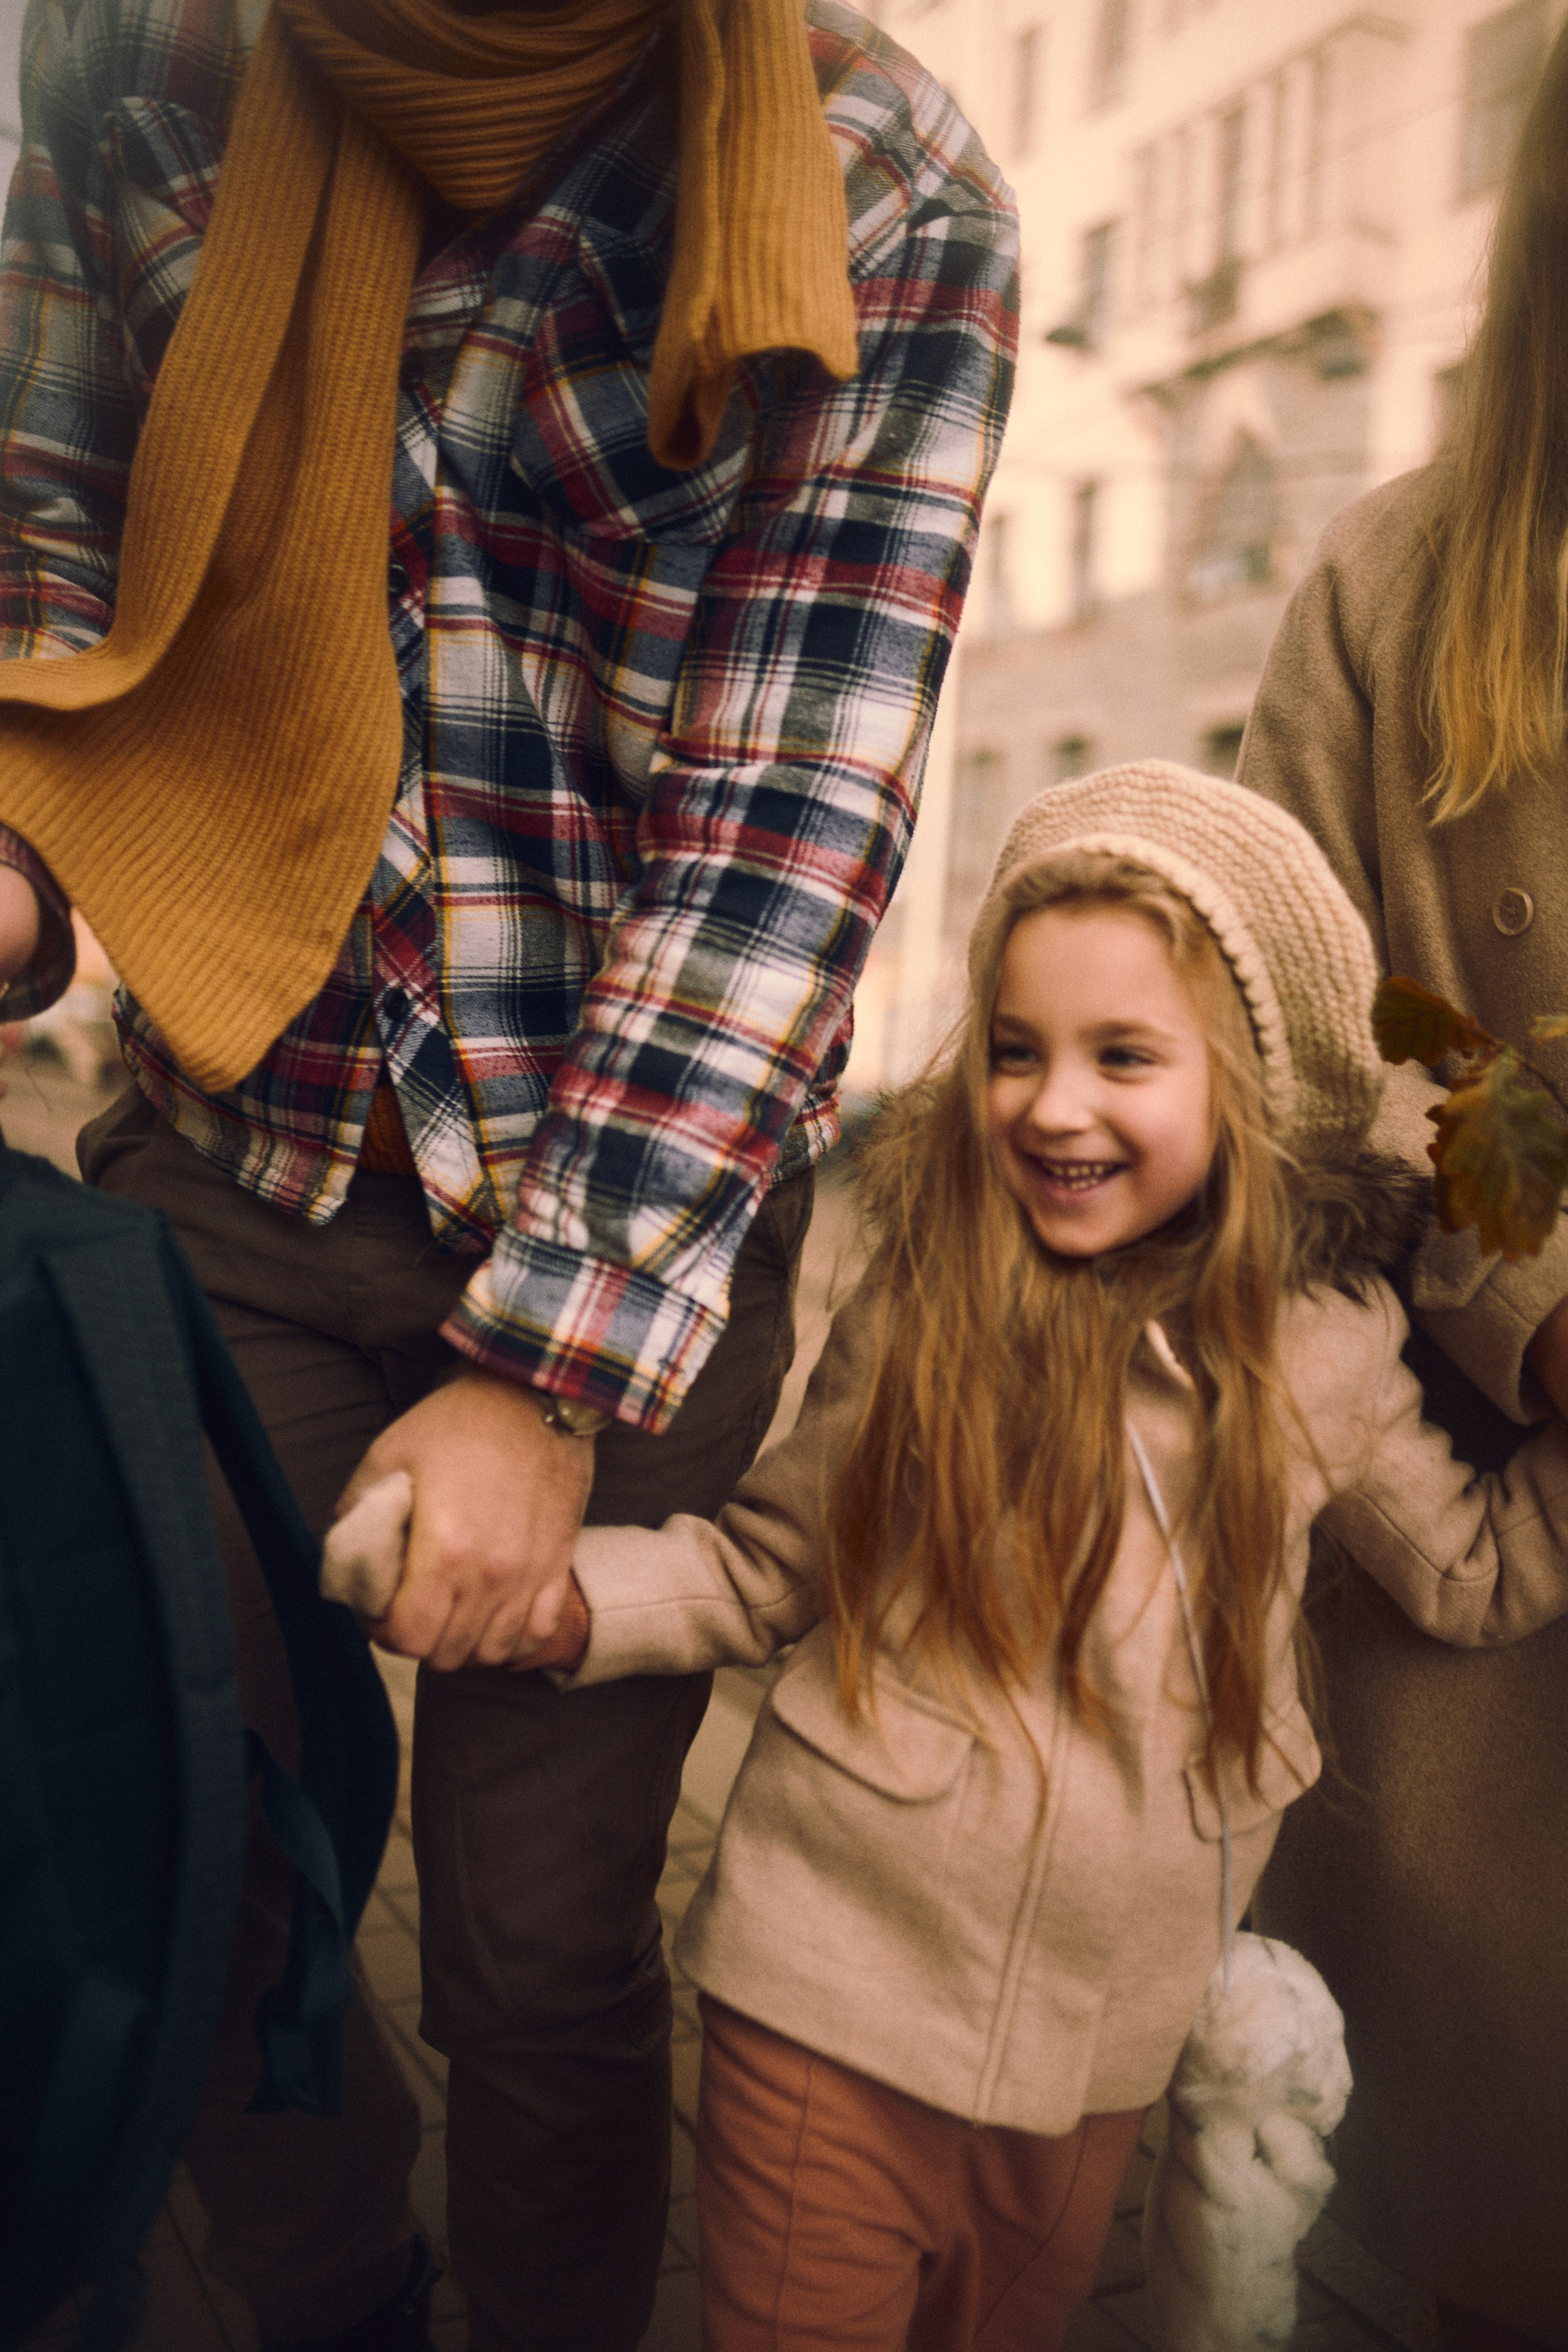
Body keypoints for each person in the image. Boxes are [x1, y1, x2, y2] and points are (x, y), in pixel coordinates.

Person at [0, 0, 1017, 2343]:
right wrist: (30, 880)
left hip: (637, 1185)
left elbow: (792, 827)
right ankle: (344, 2298)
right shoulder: (133, 63)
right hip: (233, 1146)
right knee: (209, 1873)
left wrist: (547, 1359)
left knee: (540, 1950)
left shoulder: (885, 179)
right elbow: (52, 566)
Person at [521, 760, 1568, 2352]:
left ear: (1255, 1085)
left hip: (1105, 2054)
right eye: (1015, 1051)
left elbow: (1475, 1572)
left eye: (1121, 1057)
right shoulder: (931, 1308)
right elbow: (761, 1569)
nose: (1052, 1104)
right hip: (830, 1992)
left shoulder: (1336, 1357)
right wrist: (559, 1598)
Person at [1237, 28, 1568, 2345]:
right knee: (1433, 2224)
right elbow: (1301, 1036)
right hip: (1482, 1578)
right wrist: (1535, 1291)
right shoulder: (1406, 582)